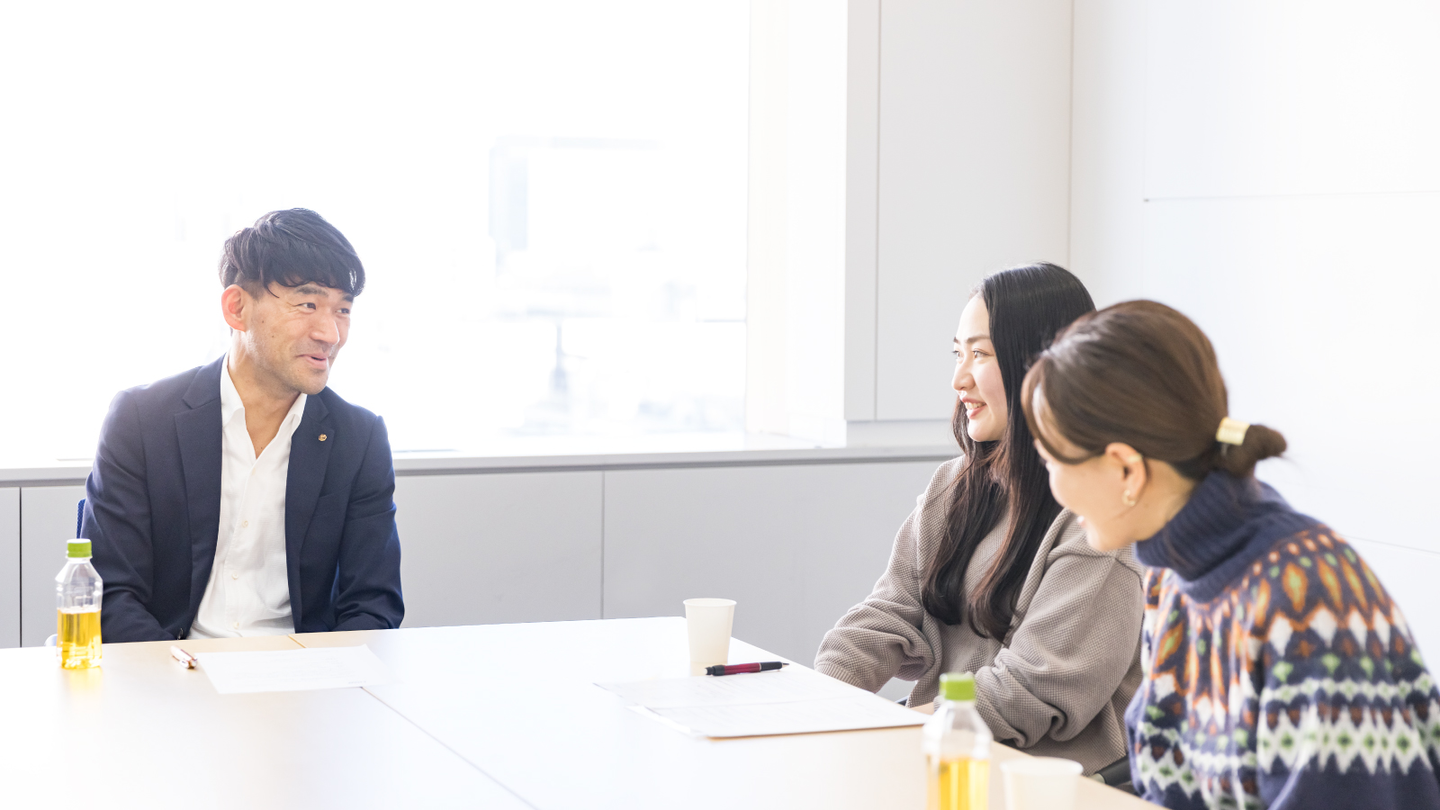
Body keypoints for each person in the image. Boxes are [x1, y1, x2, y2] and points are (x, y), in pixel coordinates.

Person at [1022, 300, 1440, 809]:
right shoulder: (1172, 576)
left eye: (1051, 461)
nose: (1054, 488)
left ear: (1126, 469)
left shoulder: (1304, 598)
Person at [815, 262, 1145, 775]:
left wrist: (899, 732)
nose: (958, 379)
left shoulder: (1098, 520)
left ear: (1043, 365)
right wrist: (818, 699)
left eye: (981, 354)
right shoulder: (955, 484)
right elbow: (887, 614)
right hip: (945, 753)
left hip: (1041, 780)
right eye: (957, 354)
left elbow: (1032, 689)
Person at [84, 208, 404, 642]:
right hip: (174, 665)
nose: (330, 334)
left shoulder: (359, 439)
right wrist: (181, 673)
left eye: (342, 310)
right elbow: (111, 595)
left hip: (304, 672)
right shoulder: (142, 421)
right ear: (237, 308)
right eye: (308, 304)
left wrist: (319, 673)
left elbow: (374, 605)